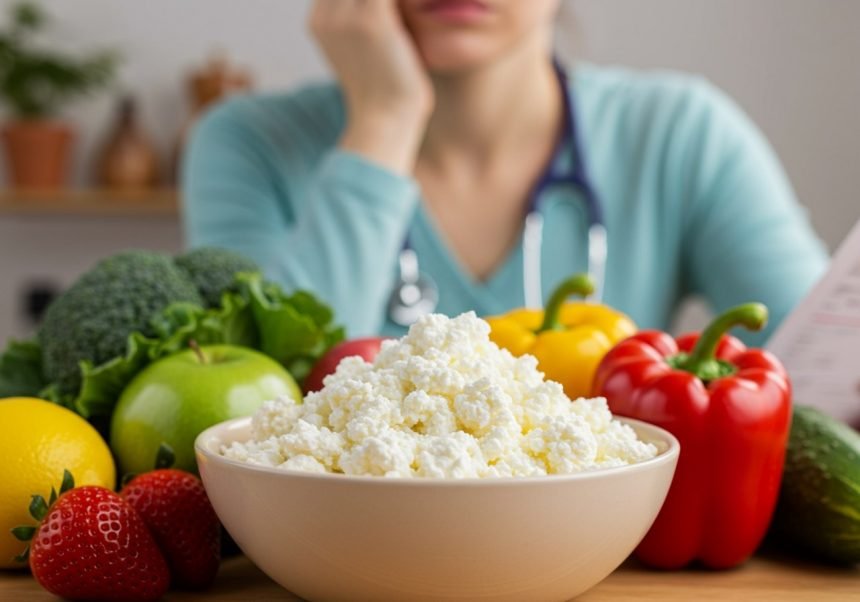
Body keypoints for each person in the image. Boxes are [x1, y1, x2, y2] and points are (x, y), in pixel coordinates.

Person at [182, 0, 827, 344]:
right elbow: (253, 412)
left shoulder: (682, 134)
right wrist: (383, 118)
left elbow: (830, 376)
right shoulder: (244, 143)